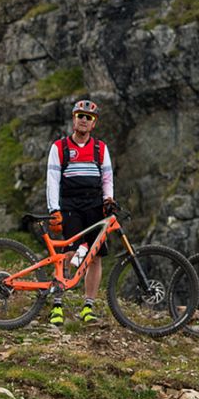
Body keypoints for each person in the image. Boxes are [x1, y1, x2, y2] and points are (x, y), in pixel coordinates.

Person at [44, 98, 116, 327]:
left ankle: (88, 306)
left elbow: (107, 177)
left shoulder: (100, 148)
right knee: (68, 254)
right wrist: (54, 210)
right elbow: (53, 180)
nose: (84, 120)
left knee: (95, 256)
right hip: (70, 207)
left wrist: (108, 199)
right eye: (80, 116)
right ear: (74, 119)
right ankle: (57, 304)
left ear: (94, 124)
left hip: (95, 206)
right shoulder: (60, 147)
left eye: (89, 118)